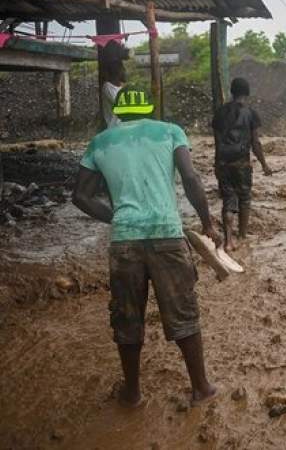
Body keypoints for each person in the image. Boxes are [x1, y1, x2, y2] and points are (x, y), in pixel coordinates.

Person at [73, 87, 220, 407]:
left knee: (127, 317)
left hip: (125, 241)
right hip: (167, 234)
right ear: (148, 107)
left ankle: (132, 393)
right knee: (183, 312)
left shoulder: (100, 141)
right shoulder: (169, 131)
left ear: (119, 112)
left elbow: (81, 197)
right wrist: (208, 223)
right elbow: (191, 179)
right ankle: (201, 388)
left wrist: (118, 217)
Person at [211, 77, 273, 251]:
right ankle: (243, 235)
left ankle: (229, 240)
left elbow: (217, 142)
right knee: (244, 199)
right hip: (241, 163)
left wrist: (217, 165)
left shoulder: (220, 113)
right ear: (247, 93)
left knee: (228, 200)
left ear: (232, 92)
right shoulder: (251, 113)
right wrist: (264, 165)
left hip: (223, 162)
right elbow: (255, 143)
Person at [101, 60, 125, 129]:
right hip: (114, 128)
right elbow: (120, 103)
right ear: (117, 72)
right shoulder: (107, 87)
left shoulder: (121, 87)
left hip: (123, 126)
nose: (125, 72)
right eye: (123, 70)